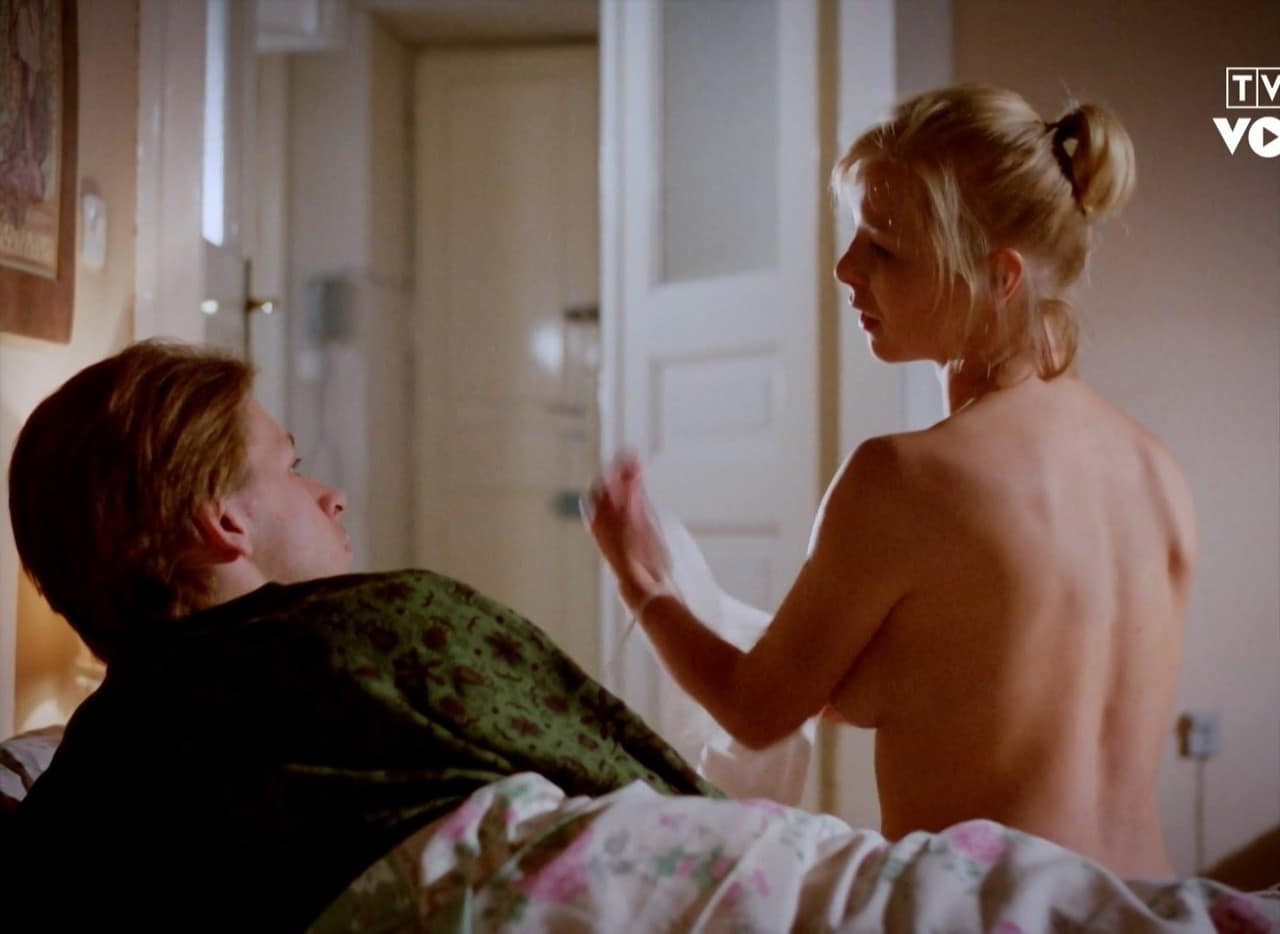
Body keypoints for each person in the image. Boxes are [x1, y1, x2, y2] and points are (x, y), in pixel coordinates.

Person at [587, 84, 1196, 879]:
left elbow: (756, 711)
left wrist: (641, 580)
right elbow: (968, 686)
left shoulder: (906, 478)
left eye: (885, 247)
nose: (846, 269)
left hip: (993, 908)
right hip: (1148, 906)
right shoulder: (1156, 471)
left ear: (999, 277)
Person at [4, 340, 715, 929]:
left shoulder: (86, 788)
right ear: (224, 520)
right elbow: (655, 786)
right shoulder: (388, 629)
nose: (332, 497)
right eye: (293, 468)